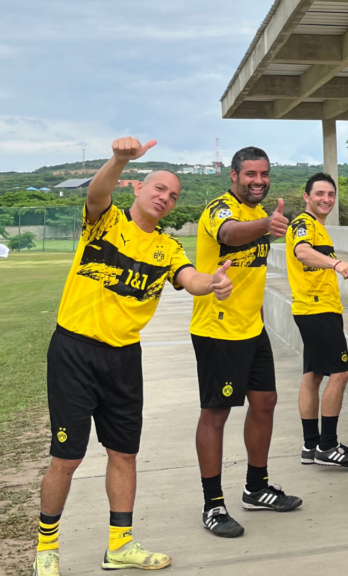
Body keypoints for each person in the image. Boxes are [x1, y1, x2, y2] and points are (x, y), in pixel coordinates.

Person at [34, 137, 233, 576]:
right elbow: (96, 193)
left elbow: (191, 280)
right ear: (138, 188)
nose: (165, 198)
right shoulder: (105, 222)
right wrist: (119, 159)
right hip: (75, 351)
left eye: (173, 195)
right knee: (66, 458)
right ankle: (46, 550)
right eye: (159, 188)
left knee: (123, 454)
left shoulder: (167, 248)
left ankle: (120, 545)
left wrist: (213, 282)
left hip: (123, 359)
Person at [191, 147, 301, 538]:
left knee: (265, 401)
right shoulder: (219, 209)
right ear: (234, 175)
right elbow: (228, 233)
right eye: (251, 174)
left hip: (252, 328)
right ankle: (213, 504)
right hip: (217, 331)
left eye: (264, 174)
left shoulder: (259, 214)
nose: (259, 180)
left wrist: (265, 223)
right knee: (216, 413)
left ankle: (256, 488)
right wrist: (266, 225)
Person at [285, 172, 348, 468]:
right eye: (319, 193)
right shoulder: (304, 224)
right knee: (341, 373)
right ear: (306, 197)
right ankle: (328, 446)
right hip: (317, 310)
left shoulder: (317, 226)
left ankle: (311, 445)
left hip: (313, 308)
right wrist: (337, 263)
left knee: (313, 375)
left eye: (331, 194)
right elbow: (302, 252)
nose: (326, 199)